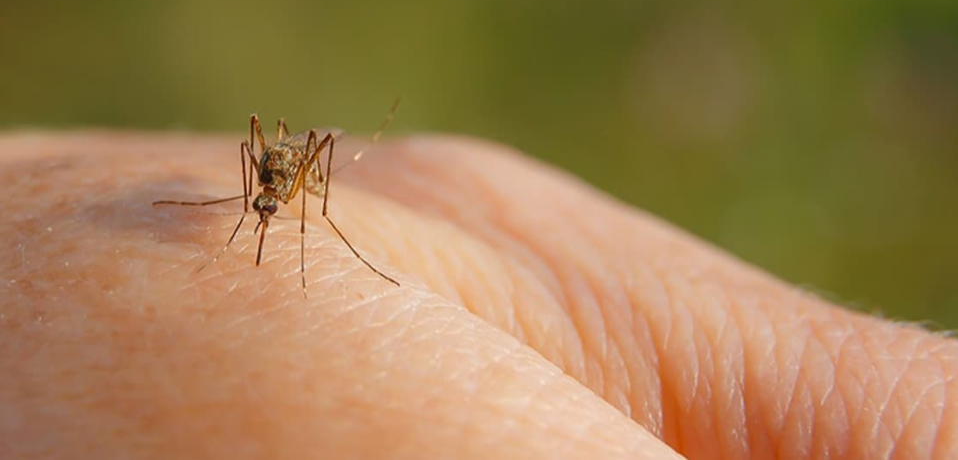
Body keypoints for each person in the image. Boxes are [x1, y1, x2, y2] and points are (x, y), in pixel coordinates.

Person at [1, 132, 954, 459]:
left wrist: (314, 219)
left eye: (265, 195)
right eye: (261, 196)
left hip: (312, 179)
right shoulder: (255, 178)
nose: (259, 207)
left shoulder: (292, 180)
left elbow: (292, 174)